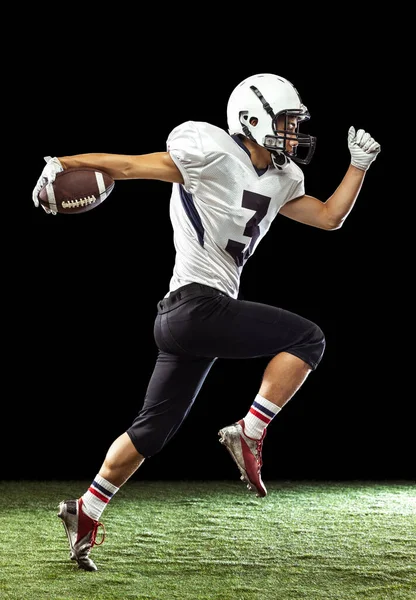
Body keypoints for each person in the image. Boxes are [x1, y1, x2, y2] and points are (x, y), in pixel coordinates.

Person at [32, 73, 380, 572]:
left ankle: (85, 510)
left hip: (186, 320)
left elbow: (328, 218)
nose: (292, 133)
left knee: (151, 431)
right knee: (309, 337)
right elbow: (130, 167)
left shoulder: (283, 179)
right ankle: (250, 431)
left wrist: (358, 166)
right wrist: (66, 162)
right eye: (284, 122)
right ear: (252, 119)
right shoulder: (209, 152)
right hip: (197, 305)